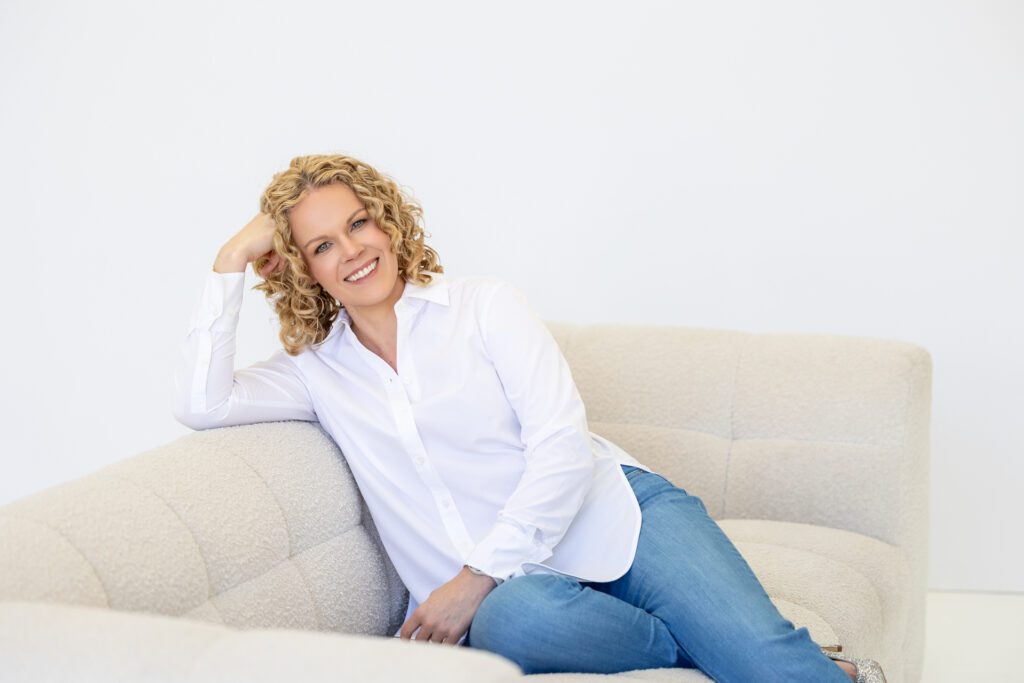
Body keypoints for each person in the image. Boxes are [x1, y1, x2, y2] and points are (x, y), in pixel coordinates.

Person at [172, 153, 885, 683]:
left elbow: (563, 448)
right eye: (322, 243)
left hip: (623, 520)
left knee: (768, 663)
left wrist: (474, 575)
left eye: (358, 222)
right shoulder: (316, 373)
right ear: (303, 268)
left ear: (386, 221)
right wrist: (231, 258)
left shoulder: (484, 308)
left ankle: (752, 652)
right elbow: (202, 403)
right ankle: (704, 644)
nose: (353, 249)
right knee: (513, 619)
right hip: (524, 595)